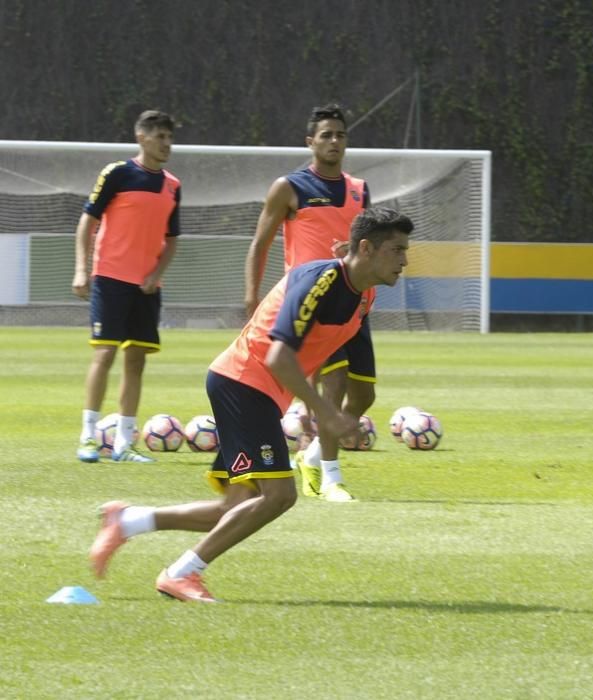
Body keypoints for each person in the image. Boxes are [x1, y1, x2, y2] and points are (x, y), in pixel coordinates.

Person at [89, 207, 413, 602]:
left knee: (234, 506)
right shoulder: (322, 280)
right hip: (243, 384)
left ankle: (127, 520)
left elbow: (320, 349)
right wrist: (323, 410)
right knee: (279, 496)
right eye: (396, 249)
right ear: (367, 248)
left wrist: (336, 404)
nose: (404, 259)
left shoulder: (365, 295)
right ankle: (180, 573)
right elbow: (278, 356)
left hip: (256, 391)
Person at [244, 103, 373, 503]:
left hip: (356, 301)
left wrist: (356, 259)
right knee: (332, 381)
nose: (335, 141)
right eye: (327, 135)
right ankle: (332, 477)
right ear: (310, 142)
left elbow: (366, 245)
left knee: (365, 393)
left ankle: (312, 454)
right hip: (313, 303)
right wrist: (252, 298)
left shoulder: (359, 188)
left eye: (341, 135)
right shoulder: (290, 187)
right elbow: (260, 244)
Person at [72, 110, 181, 464]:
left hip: (146, 288)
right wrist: (82, 269)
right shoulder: (117, 173)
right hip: (110, 278)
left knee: (136, 361)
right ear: (141, 137)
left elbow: (172, 239)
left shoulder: (172, 185)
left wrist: (156, 273)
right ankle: (88, 438)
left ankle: (123, 443)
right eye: (160, 136)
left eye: (169, 137)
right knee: (104, 355)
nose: (166, 143)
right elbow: (87, 222)